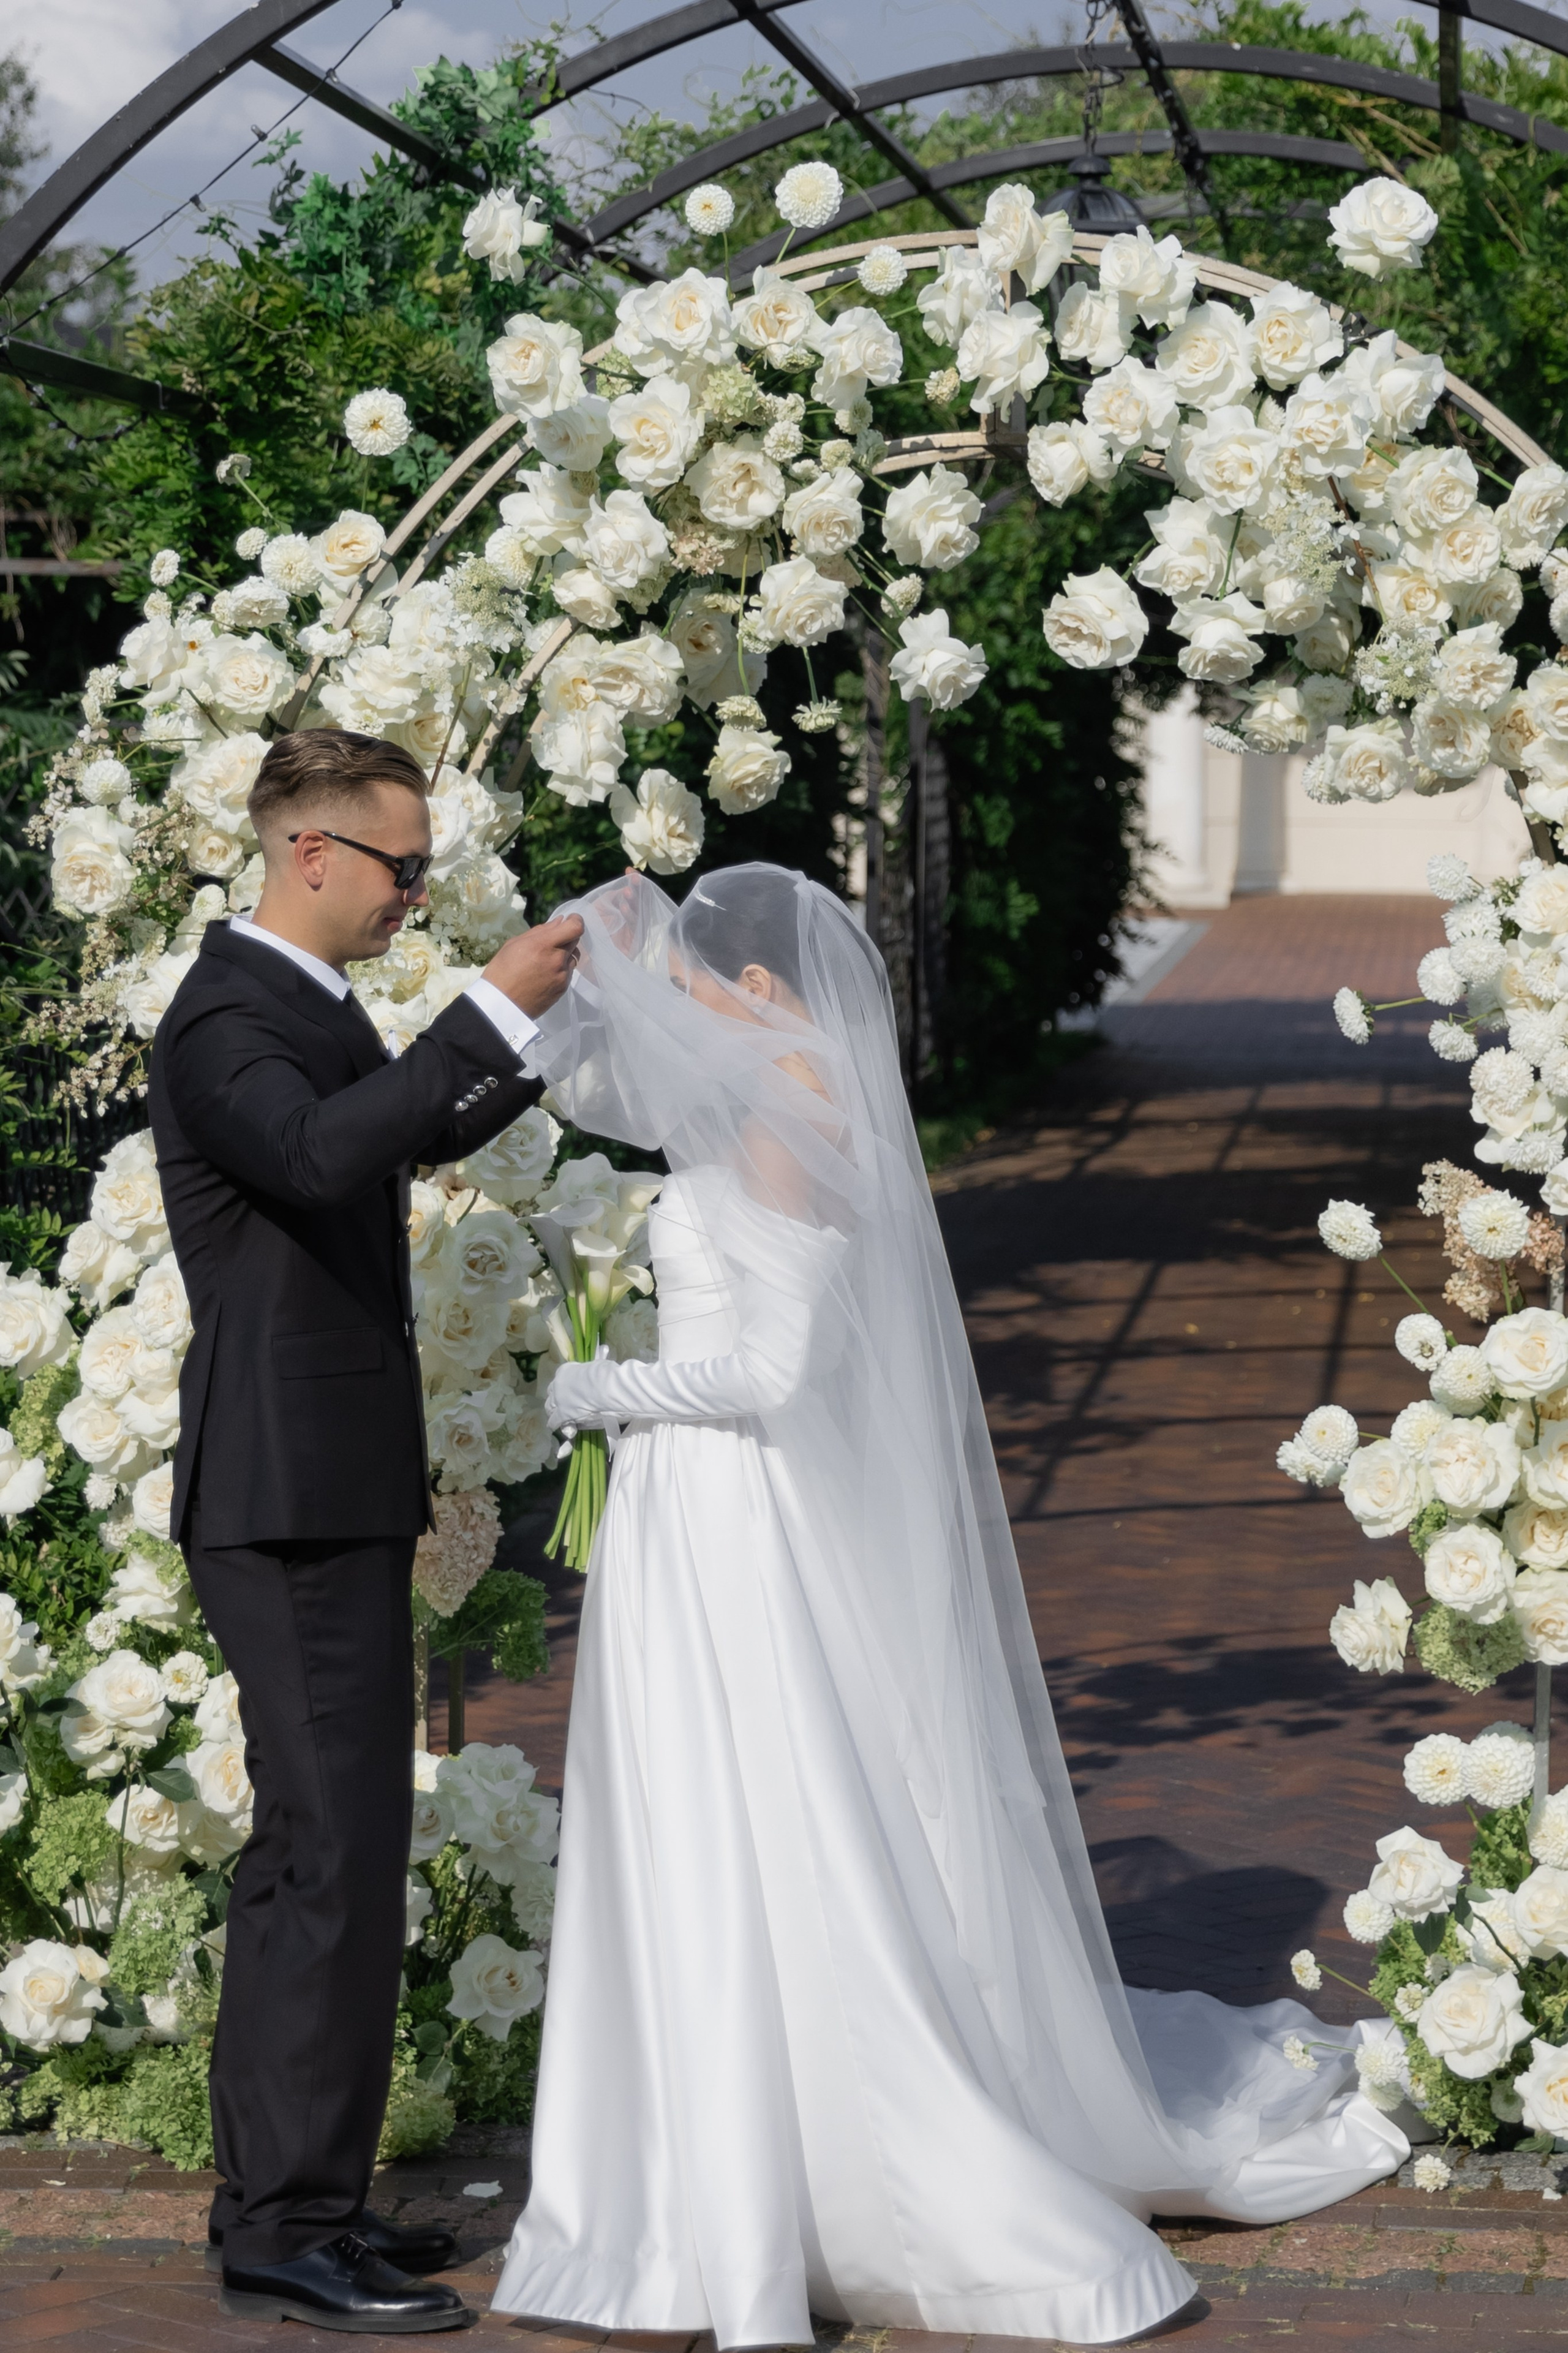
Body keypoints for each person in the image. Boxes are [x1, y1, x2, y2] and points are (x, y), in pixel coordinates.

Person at [493, 863, 1409, 2351]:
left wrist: (605, 1385)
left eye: (693, 980)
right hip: (690, 1507)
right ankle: (681, 2172)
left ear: (757, 988)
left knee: (753, 1808)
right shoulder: (744, 1086)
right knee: (691, 1811)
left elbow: (771, 1368)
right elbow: (578, 1086)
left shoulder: (786, 1097)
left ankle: (777, 2183)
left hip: (726, 1501)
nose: (675, 1005)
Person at [148, 730, 582, 2335]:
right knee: (328, 1852)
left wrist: (539, 1022)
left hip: (324, 1482)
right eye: (402, 866)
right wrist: (483, 1008)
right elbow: (319, 1150)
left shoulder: (310, 1007)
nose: (415, 892)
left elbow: (404, 1131)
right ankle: (284, 2225)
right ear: (311, 851)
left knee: (326, 1849)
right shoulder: (227, 1016)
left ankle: (294, 2199)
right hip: (280, 1493)